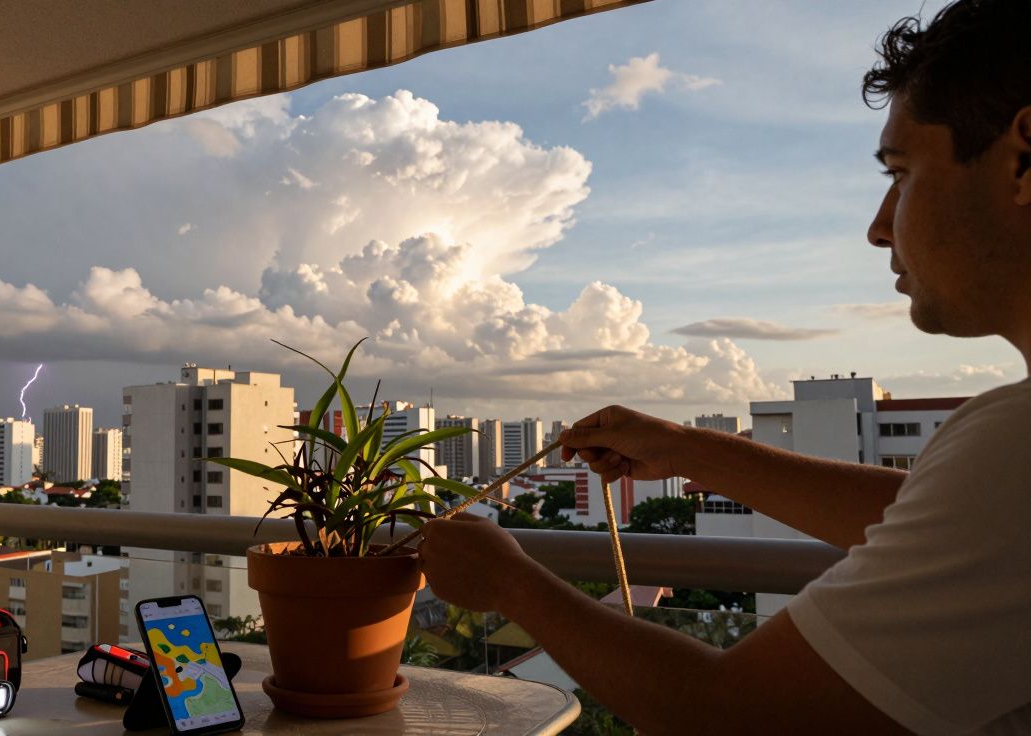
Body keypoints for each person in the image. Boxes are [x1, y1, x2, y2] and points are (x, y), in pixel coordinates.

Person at [416, 1, 1031, 733]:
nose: (877, 224)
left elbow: (733, 716)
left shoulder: (1013, 444)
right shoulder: (1001, 470)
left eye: (901, 172)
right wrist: (688, 450)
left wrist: (510, 582)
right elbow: (940, 520)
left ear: (1024, 159)